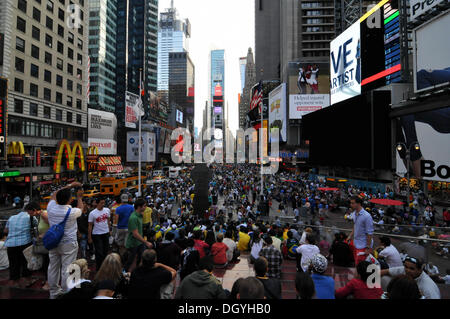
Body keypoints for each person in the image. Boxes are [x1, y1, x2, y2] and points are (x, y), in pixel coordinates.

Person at [46, 182, 83, 299]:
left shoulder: (51, 208)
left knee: (53, 267)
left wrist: (69, 185)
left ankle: (54, 293)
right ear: (69, 200)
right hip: (69, 243)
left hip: (53, 242)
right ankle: (69, 292)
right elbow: (81, 208)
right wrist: (80, 197)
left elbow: (54, 195)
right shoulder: (71, 212)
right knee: (69, 267)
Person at [3, 202, 40, 288]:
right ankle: (26, 281)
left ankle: (13, 282)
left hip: (11, 244)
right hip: (25, 243)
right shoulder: (31, 217)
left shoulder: (12, 217)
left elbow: (5, 231)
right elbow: (37, 228)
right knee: (25, 263)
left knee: (13, 264)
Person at [124, 199, 153, 272]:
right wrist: (146, 242)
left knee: (141, 259)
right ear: (139, 207)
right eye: (144, 206)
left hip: (140, 242)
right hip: (133, 244)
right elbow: (135, 234)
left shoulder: (140, 215)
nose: (146, 207)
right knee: (130, 261)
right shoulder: (133, 218)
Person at [347, 196, 374, 265]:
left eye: (353, 203)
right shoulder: (354, 214)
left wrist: (368, 247)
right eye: (351, 203)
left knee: (361, 266)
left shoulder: (367, 216)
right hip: (356, 243)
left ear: (359, 204)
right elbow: (355, 225)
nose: (351, 205)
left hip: (363, 245)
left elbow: (369, 233)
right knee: (357, 263)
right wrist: (350, 235)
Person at [88, 199, 111, 270]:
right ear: (97, 203)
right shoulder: (92, 213)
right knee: (99, 252)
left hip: (105, 233)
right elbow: (90, 225)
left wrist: (109, 230)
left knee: (106, 251)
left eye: (104, 203)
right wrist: (89, 237)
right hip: (97, 234)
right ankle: (99, 267)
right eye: (101, 203)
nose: (103, 204)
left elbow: (108, 220)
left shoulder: (107, 210)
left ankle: (105, 266)